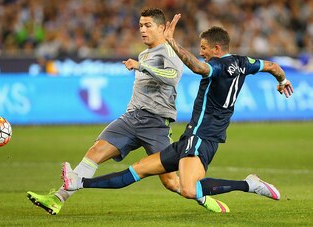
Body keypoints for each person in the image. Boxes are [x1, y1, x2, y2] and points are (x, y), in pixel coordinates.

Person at [61, 14, 294, 210]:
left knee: (188, 189)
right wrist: (282, 81)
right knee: (139, 170)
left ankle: (249, 184)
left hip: (202, 138)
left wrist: (172, 42)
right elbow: (273, 66)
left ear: (217, 48)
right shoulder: (245, 62)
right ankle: (78, 182)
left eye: (204, 48)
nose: (202, 52)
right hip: (189, 138)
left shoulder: (216, 66)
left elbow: (196, 66)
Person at [27, 9, 228, 215]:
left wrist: (142, 67)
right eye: (140, 25)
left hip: (156, 124)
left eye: (148, 25)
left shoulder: (169, 51)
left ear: (161, 28)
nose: (142, 29)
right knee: (95, 152)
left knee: (170, 181)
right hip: (132, 118)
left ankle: (203, 197)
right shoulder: (145, 53)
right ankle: (57, 199)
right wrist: (141, 65)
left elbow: (171, 76)